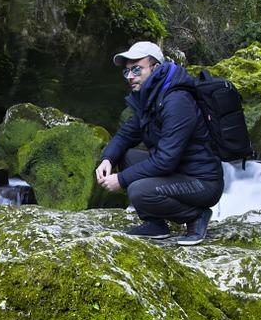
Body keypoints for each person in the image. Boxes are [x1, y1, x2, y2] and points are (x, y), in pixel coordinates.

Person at [95, 41, 224, 245]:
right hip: (177, 173)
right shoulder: (150, 98)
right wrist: (108, 159)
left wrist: (121, 178)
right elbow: (125, 135)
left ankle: (195, 216)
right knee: (126, 156)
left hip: (201, 182)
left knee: (139, 190)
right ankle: (155, 225)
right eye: (127, 71)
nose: (130, 76)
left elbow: (165, 161)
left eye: (137, 69)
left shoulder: (177, 101)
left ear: (155, 68)